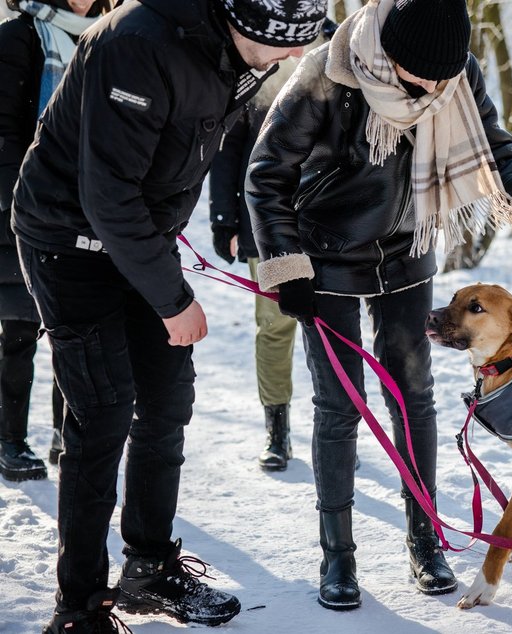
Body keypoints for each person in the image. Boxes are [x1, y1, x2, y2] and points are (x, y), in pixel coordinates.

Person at [245, 0, 512, 611]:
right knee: (340, 402)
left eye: (445, 78)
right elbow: (266, 174)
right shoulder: (329, 71)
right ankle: (338, 556)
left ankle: (424, 538)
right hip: (326, 259)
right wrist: (288, 267)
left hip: (408, 252)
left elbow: (493, 144)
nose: (435, 89)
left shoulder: (454, 72)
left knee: (412, 394)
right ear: (391, 52)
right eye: (422, 76)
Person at [11, 0, 327, 631]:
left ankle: (149, 570)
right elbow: (108, 194)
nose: (296, 57)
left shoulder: (241, 46)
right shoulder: (139, 43)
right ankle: (79, 607)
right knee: (102, 414)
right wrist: (173, 299)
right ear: (238, 21)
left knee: (165, 402)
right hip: (67, 242)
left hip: (140, 240)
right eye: (284, 44)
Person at [208, 23, 335, 472]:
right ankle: (277, 429)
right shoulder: (258, 55)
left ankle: (337, 430)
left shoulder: (341, 52)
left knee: (332, 330)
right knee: (275, 325)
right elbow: (228, 147)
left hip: (328, 231)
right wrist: (223, 219)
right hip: (266, 225)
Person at [0, 0, 109, 482]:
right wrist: (15, 200)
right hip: (22, 206)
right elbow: (2, 131)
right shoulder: (18, 37)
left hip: (89, 208)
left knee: (76, 329)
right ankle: (9, 439)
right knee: (19, 332)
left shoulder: (112, 34)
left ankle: (68, 432)